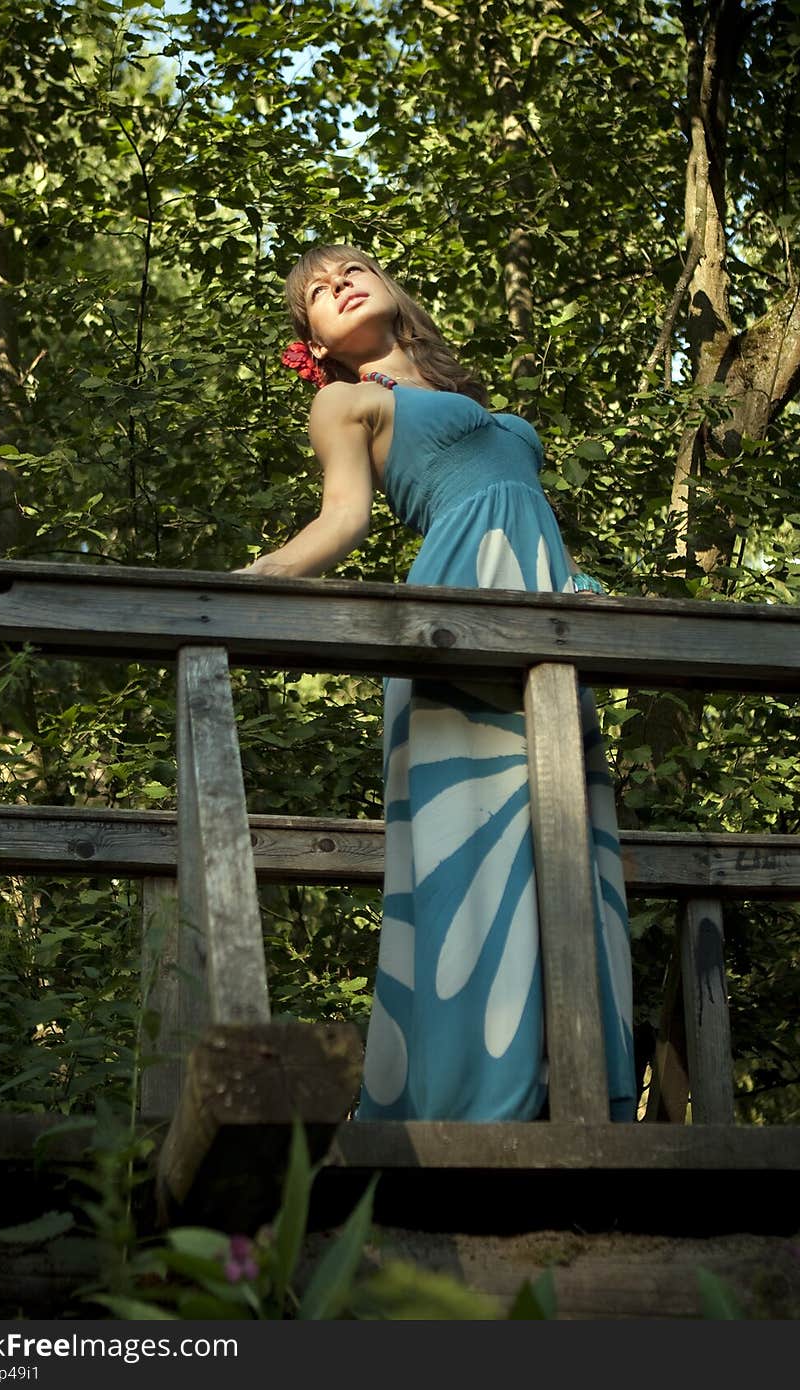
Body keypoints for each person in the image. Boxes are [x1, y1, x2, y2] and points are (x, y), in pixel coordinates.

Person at [239, 244, 635, 1123]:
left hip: (549, 619)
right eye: (315, 293)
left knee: (561, 840)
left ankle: (568, 1097)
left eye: (349, 270)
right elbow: (341, 520)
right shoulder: (349, 401)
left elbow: (523, 507)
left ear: (389, 289)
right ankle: (466, 1107)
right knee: (474, 853)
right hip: (458, 617)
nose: (335, 284)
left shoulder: (473, 405)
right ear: (316, 343)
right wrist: (248, 582)